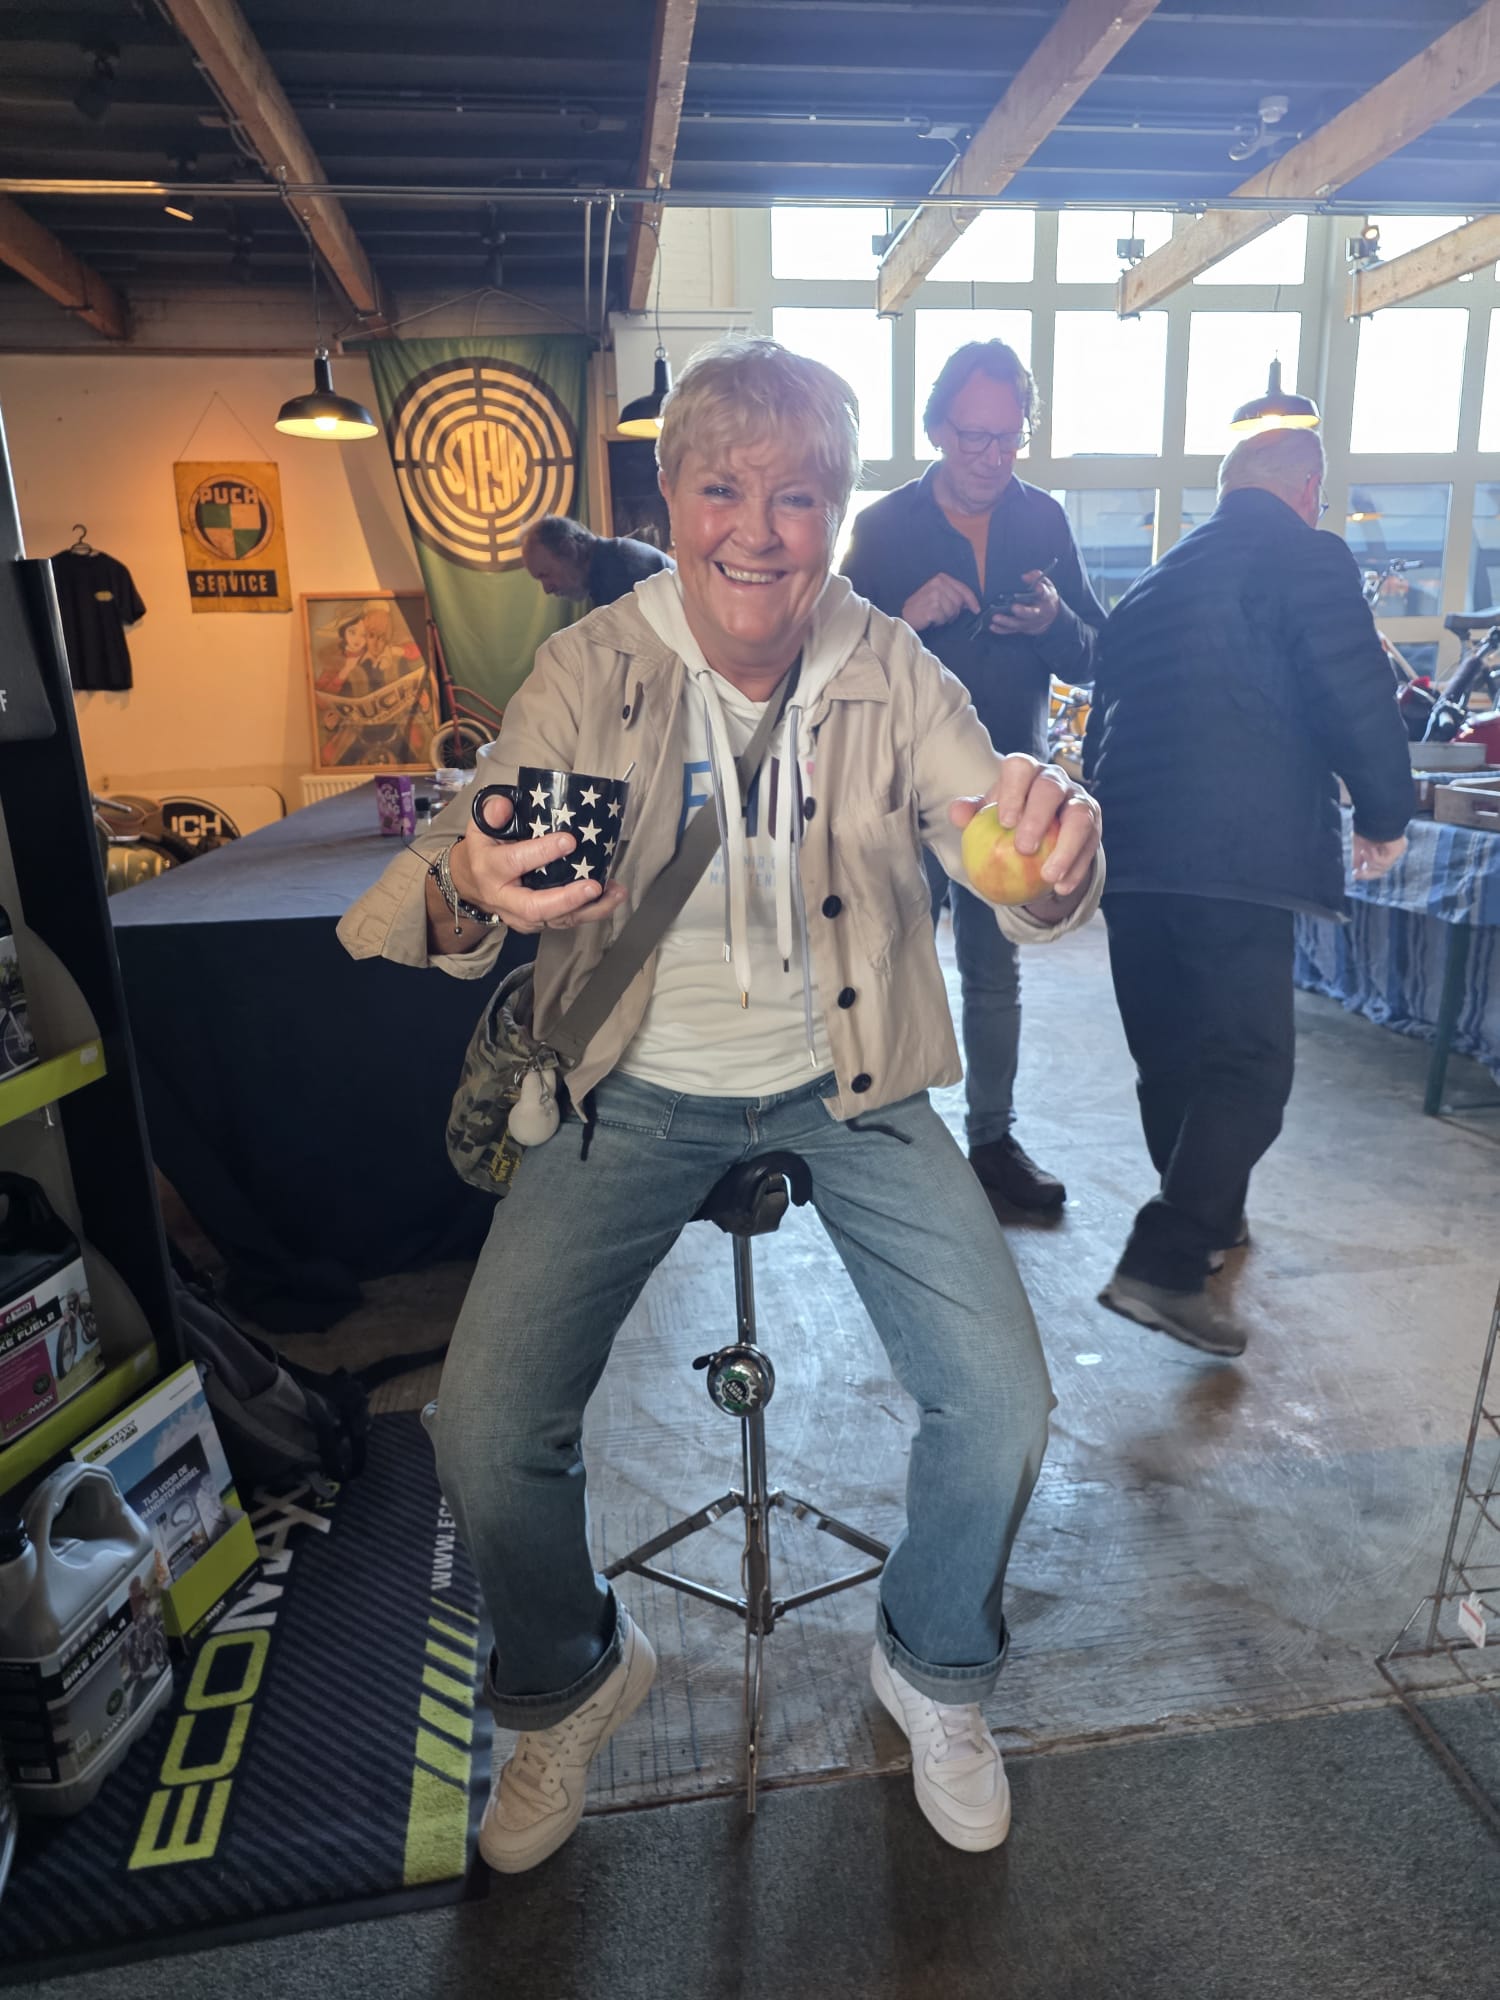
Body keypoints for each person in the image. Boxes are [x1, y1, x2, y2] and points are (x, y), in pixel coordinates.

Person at [340, 336, 1103, 1874]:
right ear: (671, 503)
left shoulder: (890, 667)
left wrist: (1048, 865)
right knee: (484, 1428)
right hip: (628, 1087)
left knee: (1002, 1404)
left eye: (799, 496)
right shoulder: (591, 668)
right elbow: (456, 865)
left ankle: (932, 1663)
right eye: (723, 492)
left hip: (853, 1081)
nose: (759, 530)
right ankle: (570, 1677)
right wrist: (469, 882)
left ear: (837, 515)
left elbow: (993, 845)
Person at [1084, 426, 1411, 1359]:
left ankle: (1210, 1218)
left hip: (1130, 854)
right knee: (1250, 1067)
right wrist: (1384, 811)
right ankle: (1168, 1262)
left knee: (1171, 1058)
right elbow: (1351, 687)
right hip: (1234, 854)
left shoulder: (1154, 581)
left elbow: (1105, 723)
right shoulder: (1308, 555)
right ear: (1307, 491)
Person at [842, 340, 1105, 1217]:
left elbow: (1094, 652)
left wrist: (1053, 621)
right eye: (973, 438)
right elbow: (826, 663)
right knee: (892, 963)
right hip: (896, 791)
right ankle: (896, 1145)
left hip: (1008, 796)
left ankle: (992, 1144)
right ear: (936, 429)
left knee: (996, 974)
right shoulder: (884, 527)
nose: (992, 458)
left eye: (1008, 438)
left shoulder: (1044, 522)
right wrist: (904, 618)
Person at [521, 513, 672, 606]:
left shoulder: (619, 571)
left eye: (545, 575)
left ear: (568, 549)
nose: (547, 589)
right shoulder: (611, 562)